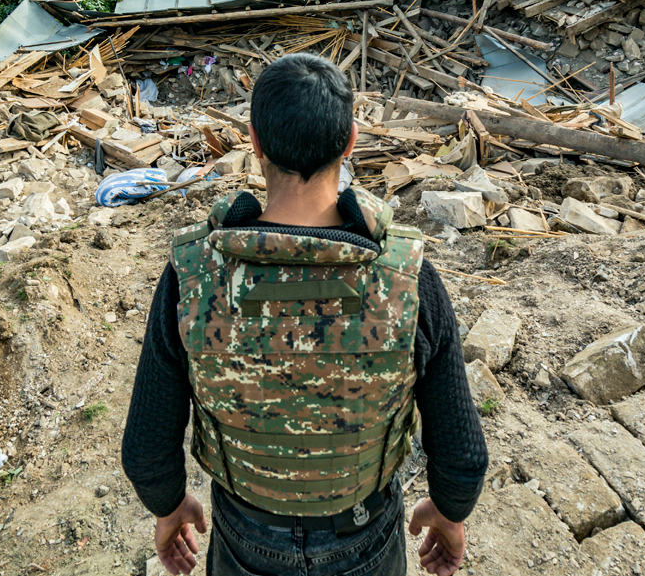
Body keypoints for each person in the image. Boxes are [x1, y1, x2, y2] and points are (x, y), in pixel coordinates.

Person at [122, 54, 488, 576]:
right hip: (363, 533)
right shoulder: (408, 275)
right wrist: (451, 513)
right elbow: (461, 447)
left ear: (255, 141)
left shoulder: (192, 274)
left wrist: (168, 507)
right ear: (350, 142)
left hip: (247, 534)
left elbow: (146, 444)